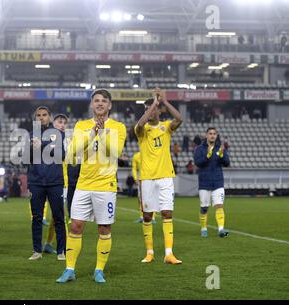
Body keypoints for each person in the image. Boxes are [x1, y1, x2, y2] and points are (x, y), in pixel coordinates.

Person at [56, 89, 126, 284]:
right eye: (96, 100)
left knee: (104, 228)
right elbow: (72, 152)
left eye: (104, 101)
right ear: (92, 104)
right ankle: (69, 269)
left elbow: (115, 152)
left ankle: (99, 270)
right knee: (75, 226)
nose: (100, 103)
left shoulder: (119, 127)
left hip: (106, 185)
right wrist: (93, 132)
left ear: (110, 105)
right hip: (84, 184)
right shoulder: (81, 125)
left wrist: (102, 132)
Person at [134, 88, 183, 265]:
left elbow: (179, 119)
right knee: (147, 215)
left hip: (165, 177)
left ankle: (169, 253)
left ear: (159, 110)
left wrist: (165, 102)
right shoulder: (142, 129)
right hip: (147, 178)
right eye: (147, 109)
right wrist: (153, 104)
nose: (150, 111)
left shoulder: (166, 127)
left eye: (153, 108)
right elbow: (140, 125)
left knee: (167, 213)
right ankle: (149, 252)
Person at [25, 106, 66, 261]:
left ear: (49, 117)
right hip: (36, 181)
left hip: (55, 181)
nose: (41, 117)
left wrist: (41, 146)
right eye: (38, 115)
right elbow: (26, 160)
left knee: (58, 217)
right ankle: (37, 251)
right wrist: (30, 149)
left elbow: (61, 155)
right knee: (36, 217)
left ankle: (61, 250)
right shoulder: (30, 136)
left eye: (44, 115)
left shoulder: (59, 134)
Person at [194, 128, 230, 238]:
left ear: (216, 135)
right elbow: (198, 163)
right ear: (206, 135)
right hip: (204, 182)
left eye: (214, 134)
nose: (212, 136)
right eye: (210, 133)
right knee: (204, 208)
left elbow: (227, 163)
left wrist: (222, 155)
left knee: (219, 205)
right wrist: (207, 156)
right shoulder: (199, 149)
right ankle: (204, 228)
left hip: (218, 182)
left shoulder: (220, 148)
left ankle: (221, 229)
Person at [43, 114, 70, 255]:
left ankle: (48, 243)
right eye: (60, 122)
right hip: (56, 181)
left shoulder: (65, 139)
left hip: (64, 181)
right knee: (61, 215)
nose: (62, 125)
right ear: (53, 124)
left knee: (56, 216)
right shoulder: (51, 138)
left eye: (64, 123)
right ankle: (64, 247)